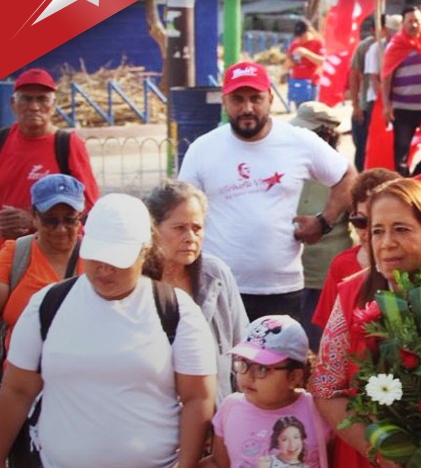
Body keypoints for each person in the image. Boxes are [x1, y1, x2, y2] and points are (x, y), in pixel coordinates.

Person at [0, 193, 216, 468]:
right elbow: (17, 390)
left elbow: (198, 397)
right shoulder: (46, 305)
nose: (104, 269)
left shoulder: (177, 312)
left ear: (144, 251)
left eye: (117, 259)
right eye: (96, 256)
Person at [178, 61, 356, 322]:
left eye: (256, 98)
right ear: (224, 101)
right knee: (221, 363)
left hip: (281, 289)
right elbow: (181, 212)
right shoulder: (202, 149)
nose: (247, 108)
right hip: (218, 287)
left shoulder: (298, 141)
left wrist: (324, 221)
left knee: (279, 364)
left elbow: (348, 177)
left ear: (270, 98)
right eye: (238, 99)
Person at [312, 178, 421, 468]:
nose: (387, 244)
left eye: (401, 229)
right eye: (377, 231)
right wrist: (385, 457)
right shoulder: (352, 293)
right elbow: (326, 390)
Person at [142, 179, 249, 404]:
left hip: (217, 414)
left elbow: (244, 347)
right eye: (179, 228)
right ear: (153, 228)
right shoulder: (137, 281)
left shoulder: (216, 275)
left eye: (197, 228)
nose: (191, 237)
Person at [202, 315, 329, 468]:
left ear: (295, 376)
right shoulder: (230, 407)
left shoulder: (318, 409)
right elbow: (219, 462)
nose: (248, 375)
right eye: (242, 363)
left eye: (262, 368)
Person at [0, 68, 99, 243]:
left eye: (42, 99)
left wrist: (36, 221)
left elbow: (90, 209)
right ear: (13, 104)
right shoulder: (2, 140)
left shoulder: (68, 145)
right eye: (26, 99)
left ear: (53, 106)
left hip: (50, 256)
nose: (34, 107)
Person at [289, 102, 354, 350]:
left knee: (320, 348)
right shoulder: (292, 166)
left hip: (326, 277)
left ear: (326, 135)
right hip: (294, 275)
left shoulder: (343, 174)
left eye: (309, 135)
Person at [0, 174, 84, 365]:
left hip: (77, 381)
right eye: (51, 221)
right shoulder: (16, 254)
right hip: (20, 384)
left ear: (80, 218)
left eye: (69, 220)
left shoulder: (94, 259)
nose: (61, 229)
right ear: (34, 218)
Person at [312, 168, 400, 330]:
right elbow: (328, 333)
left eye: (377, 221)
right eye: (360, 220)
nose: (369, 231)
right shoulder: (342, 265)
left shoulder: (412, 264)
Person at [381, 6, 421, 176]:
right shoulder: (396, 46)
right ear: (403, 23)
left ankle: (418, 176)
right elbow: (386, 77)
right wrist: (387, 105)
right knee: (401, 149)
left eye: (417, 21)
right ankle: (403, 183)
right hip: (402, 108)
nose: (413, 25)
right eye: (410, 21)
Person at [350, 14, 401, 172]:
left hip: (396, 104)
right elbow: (355, 75)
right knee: (364, 145)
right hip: (370, 103)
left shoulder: (402, 47)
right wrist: (356, 105)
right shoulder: (369, 48)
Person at [285, 19, 326, 107]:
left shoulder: (318, 43)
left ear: (309, 31)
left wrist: (307, 53)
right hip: (297, 82)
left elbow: (323, 62)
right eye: (298, 36)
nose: (300, 39)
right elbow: (285, 66)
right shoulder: (295, 44)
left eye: (302, 36)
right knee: (299, 111)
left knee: (311, 111)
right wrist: (292, 58)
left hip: (312, 83)